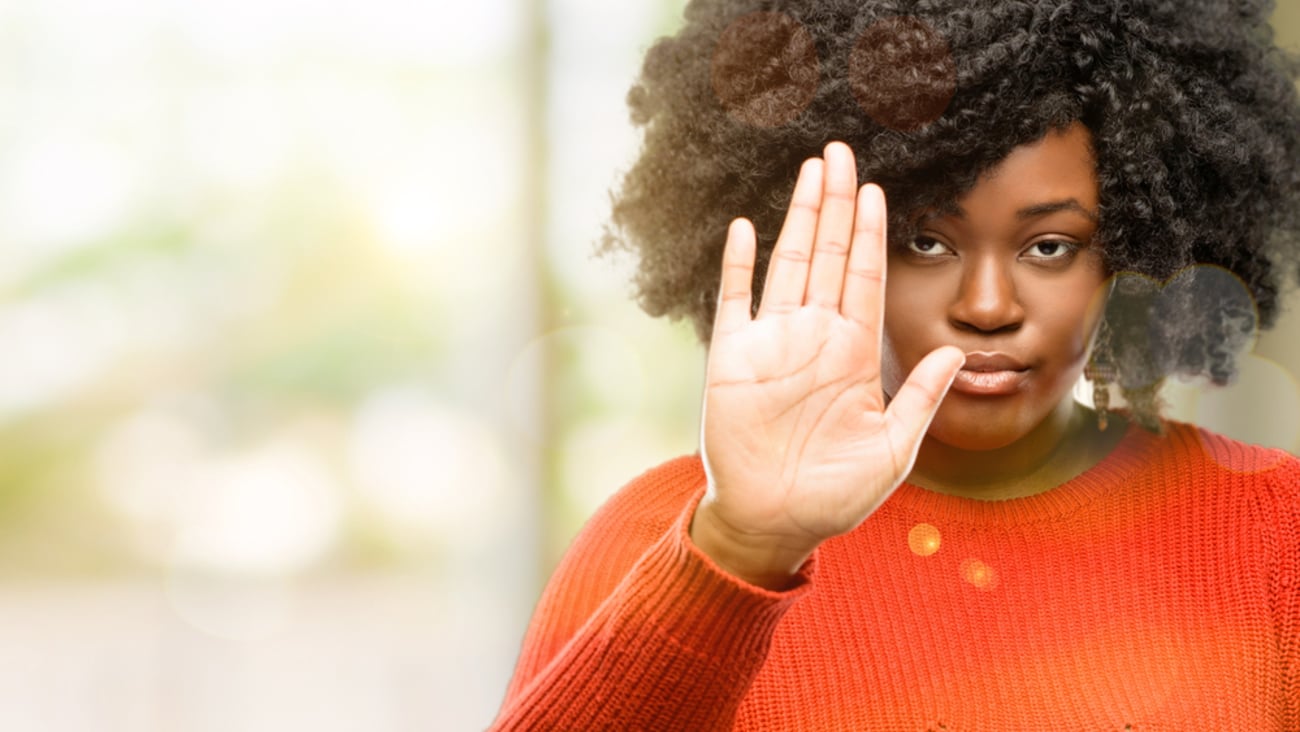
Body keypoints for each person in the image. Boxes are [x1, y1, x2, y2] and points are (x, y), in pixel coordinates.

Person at [493, 1, 1300, 729]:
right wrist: (741, 549)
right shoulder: (668, 537)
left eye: (1049, 247)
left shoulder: (1273, 531)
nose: (987, 305)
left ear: (1133, 249)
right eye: (925, 241)